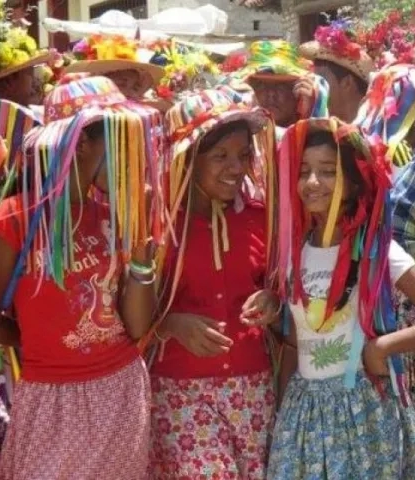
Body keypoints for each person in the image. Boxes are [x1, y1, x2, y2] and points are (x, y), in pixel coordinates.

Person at [259, 119, 415, 478]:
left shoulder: (377, 250)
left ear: (354, 183)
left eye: (326, 172)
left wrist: (383, 347)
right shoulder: (291, 252)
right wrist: (275, 314)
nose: (312, 182)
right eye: (304, 171)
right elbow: (298, 342)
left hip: (363, 407)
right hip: (304, 413)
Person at [0, 74, 162, 479]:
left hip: (121, 392)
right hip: (50, 402)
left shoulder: (112, 215)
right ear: (81, 143)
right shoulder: (16, 221)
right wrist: (30, 341)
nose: (130, 156)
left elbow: (137, 324)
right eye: (118, 141)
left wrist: (142, 260)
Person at [147, 88, 279, 478]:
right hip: (180, 394)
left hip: (254, 392)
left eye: (242, 155)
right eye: (220, 156)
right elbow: (124, 311)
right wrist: (168, 324)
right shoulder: (158, 226)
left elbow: (280, 292)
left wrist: (272, 300)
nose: (236, 167)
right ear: (188, 160)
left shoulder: (261, 218)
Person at [230, 40, 328, 130]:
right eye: (261, 86)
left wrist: (309, 112)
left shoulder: (314, 140)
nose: (271, 94)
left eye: (281, 86)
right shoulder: (241, 137)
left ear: (298, 91)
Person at [300, 23, 374, 122]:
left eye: (321, 79)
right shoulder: (322, 128)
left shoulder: (377, 130)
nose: (314, 85)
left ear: (347, 83)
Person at [64, 35, 164, 101]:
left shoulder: (144, 109)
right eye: (114, 72)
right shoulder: (89, 107)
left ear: (137, 77)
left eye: (128, 72)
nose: (122, 78)